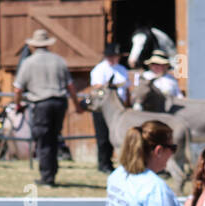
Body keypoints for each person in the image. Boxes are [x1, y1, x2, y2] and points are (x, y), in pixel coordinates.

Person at [13, 29, 78, 187]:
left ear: (34, 46)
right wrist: (77, 104)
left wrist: (17, 104)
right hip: (59, 103)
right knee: (54, 138)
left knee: (43, 140)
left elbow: (18, 89)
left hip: (41, 104)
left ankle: (47, 177)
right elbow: (70, 86)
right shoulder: (59, 61)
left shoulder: (28, 63)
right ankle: (51, 173)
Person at [90, 43, 129, 172]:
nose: (114, 59)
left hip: (119, 108)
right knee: (103, 136)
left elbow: (126, 88)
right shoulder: (99, 69)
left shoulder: (122, 69)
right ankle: (103, 163)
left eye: (116, 56)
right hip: (104, 108)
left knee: (116, 135)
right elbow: (97, 87)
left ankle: (113, 162)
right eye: (112, 56)